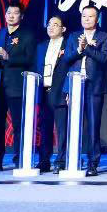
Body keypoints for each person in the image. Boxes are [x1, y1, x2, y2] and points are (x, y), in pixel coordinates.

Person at [0, 1, 36, 171]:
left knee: (18, 125)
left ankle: (19, 159)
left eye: (15, 13)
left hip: (16, 85)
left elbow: (30, 59)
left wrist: (8, 58)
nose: (11, 16)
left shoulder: (28, 35)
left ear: (21, 16)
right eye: (9, 13)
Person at [63, 5, 107, 176]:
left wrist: (87, 48)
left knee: (93, 125)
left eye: (90, 16)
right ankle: (72, 160)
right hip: (75, 83)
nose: (87, 19)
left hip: (94, 86)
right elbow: (67, 59)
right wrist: (78, 49)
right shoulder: (73, 36)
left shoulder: (104, 36)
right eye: (84, 16)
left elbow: (104, 58)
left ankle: (93, 163)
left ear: (97, 19)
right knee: (74, 124)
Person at [34, 15, 70, 173]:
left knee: (62, 129)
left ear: (63, 29)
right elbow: (36, 68)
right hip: (44, 92)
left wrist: (68, 90)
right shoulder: (41, 46)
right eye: (49, 24)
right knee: (44, 129)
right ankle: (44, 161)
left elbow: (71, 68)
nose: (51, 27)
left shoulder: (68, 45)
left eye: (55, 24)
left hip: (60, 91)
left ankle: (61, 160)